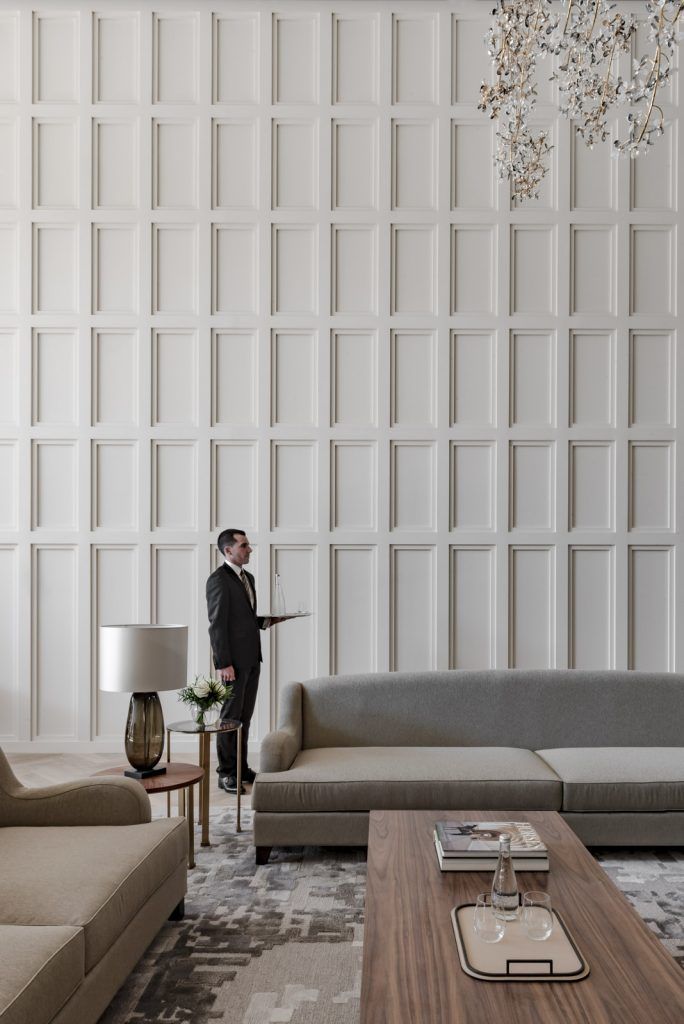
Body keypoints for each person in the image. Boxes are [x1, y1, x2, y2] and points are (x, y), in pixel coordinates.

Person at [206, 528, 281, 794]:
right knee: (229, 719)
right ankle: (226, 773)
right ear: (228, 550)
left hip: (252, 659)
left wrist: (267, 621)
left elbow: (244, 620)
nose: (249, 549)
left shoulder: (246, 577)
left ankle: (241, 768)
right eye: (244, 545)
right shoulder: (218, 580)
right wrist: (223, 663)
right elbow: (217, 625)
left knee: (245, 718)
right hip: (232, 664)